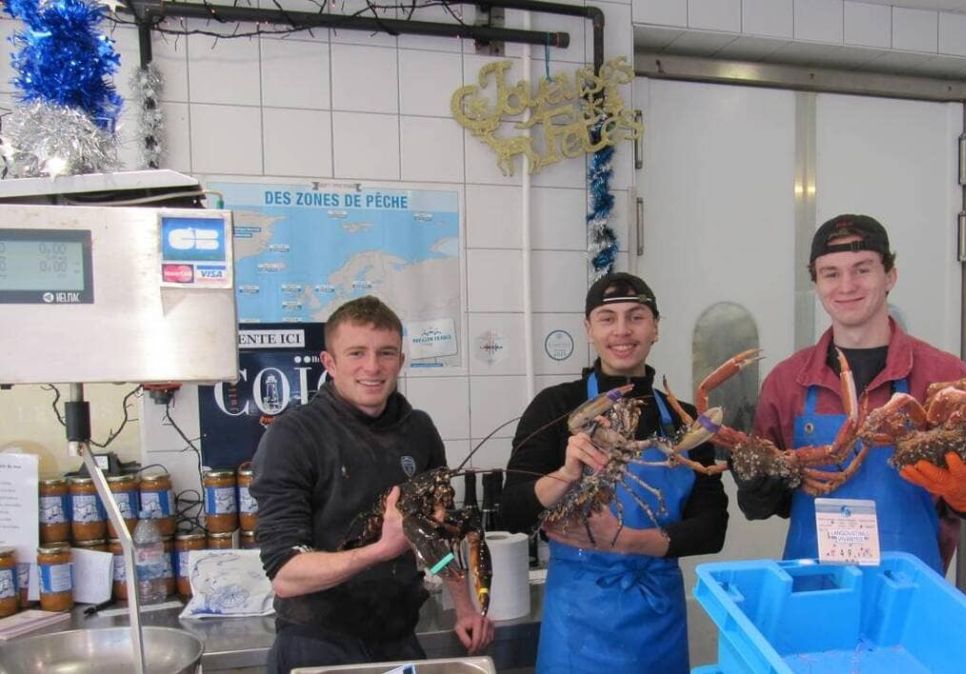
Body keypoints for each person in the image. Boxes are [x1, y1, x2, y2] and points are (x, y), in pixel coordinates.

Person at [739, 214, 966, 572]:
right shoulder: (788, 381)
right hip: (816, 586)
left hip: (913, 588)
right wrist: (757, 492)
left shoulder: (946, 377)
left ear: (890, 275)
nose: (846, 286)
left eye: (862, 269)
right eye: (831, 273)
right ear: (816, 283)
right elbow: (774, 499)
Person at [250, 296, 494, 674]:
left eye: (386, 353)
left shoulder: (419, 429)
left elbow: (439, 537)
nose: (373, 367)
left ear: (401, 359)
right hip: (316, 644)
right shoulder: (293, 436)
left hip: (398, 638)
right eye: (356, 353)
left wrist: (464, 606)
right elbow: (285, 575)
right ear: (329, 363)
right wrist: (381, 551)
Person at [502, 272, 729, 674]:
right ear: (589, 328)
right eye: (607, 318)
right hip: (578, 621)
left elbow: (712, 528)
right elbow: (511, 511)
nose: (622, 330)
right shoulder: (557, 407)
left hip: (658, 615)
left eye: (636, 316)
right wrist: (567, 472)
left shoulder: (683, 420)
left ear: (656, 327)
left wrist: (626, 540)